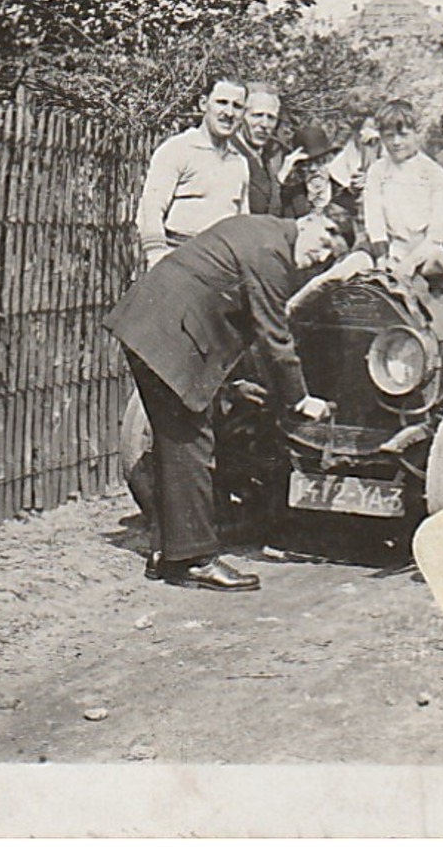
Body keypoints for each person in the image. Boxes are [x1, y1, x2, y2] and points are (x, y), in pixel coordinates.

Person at [105, 212, 343, 591]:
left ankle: (166, 553)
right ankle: (196, 560)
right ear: (312, 220)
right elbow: (274, 339)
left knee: (174, 444)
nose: (320, 257)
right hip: (168, 335)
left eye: (329, 257)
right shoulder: (273, 253)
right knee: (192, 444)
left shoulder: (261, 229)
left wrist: (234, 385)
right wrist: (299, 400)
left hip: (153, 325)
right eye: (324, 242)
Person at [289, 100, 443, 336]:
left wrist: (411, 263)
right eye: (389, 135)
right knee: (342, 271)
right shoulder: (378, 171)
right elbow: (375, 222)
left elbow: (438, 231)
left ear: (416, 132)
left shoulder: (432, 172)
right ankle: (292, 310)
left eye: (403, 135)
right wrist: (383, 258)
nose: (396, 142)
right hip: (386, 252)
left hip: (423, 253)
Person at [135, 74, 251, 268]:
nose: (229, 112)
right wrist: (157, 258)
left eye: (237, 106)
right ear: (204, 104)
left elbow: (243, 222)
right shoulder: (177, 149)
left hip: (223, 265)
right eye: (222, 103)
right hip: (179, 260)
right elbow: (150, 209)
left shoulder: (239, 163)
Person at [234, 82, 286, 216]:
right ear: (241, 116)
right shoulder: (228, 155)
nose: (264, 124)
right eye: (257, 115)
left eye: (271, 118)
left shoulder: (266, 158)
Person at [277, 123, 342, 218]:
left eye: (320, 161)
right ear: (297, 168)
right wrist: (283, 174)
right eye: (306, 164)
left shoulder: (345, 194)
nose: (313, 169)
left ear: (331, 161)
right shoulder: (290, 199)